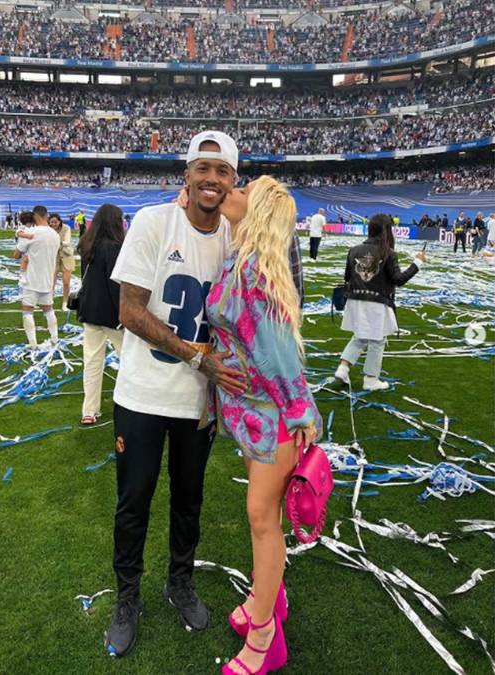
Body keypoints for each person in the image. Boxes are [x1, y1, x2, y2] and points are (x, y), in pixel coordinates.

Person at [105, 131, 246, 658]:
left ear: (234, 180)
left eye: (222, 171)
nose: (212, 179)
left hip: (198, 405)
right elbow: (130, 311)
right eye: (202, 168)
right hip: (142, 396)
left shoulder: (236, 240)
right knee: (133, 503)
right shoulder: (152, 222)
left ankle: (179, 583)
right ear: (185, 174)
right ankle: (127, 599)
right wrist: (198, 356)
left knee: (190, 502)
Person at [205, 176, 323, 675]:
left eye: (244, 189)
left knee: (261, 519)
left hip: (275, 416)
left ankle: (265, 639)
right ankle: (266, 602)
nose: (233, 187)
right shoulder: (238, 260)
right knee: (261, 517)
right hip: (252, 415)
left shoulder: (255, 270)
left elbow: (278, 355)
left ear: (256, 212)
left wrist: (300, 413)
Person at [334, 213, 427, 391]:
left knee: (360, 336)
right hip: (376, 303)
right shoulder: (389, 253)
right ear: (387, 231)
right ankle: (370, 379)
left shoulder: (354, 250)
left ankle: (342, 369)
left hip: (355, 300)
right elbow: (398, 279)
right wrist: (417, 263)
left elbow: (347, 277)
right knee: (377, 341)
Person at [77, 204, 125, 425]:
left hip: (89, 311)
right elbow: (115, 284)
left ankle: (89, 410)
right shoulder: (114, 247)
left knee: (92, 361)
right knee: (129, 361)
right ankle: (128, 404)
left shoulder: (87, 244)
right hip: (111, 314)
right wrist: (124, 315)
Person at [14, 205, 60, 350]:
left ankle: (33, 344)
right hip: (47, 278)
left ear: (35, 216)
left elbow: (16, 255)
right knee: (48, 309)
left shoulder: (30, 232)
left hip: (31, 279)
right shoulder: (55, 234)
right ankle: (54, 340)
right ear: (46, 216)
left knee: (27, 310)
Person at [49, 213, 76, 310]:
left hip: (66, 255)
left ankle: (65, 302)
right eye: (51, 222)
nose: (53, 224)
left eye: (55, 222)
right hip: (54, 256)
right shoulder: (48, 229)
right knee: (51, 281)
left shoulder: (66, 228)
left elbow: (67, 241)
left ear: (59, 221)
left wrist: (56, 242)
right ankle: (49, 301)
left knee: (66, 282)